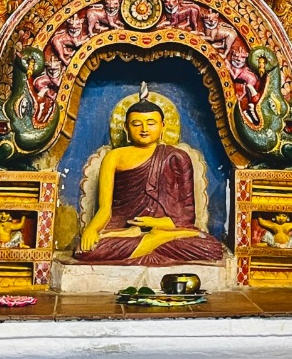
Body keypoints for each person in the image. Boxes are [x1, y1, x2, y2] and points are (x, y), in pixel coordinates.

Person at [75, 94, 224, 264]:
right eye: (136, 124)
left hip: (164, 227)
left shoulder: (177, 157)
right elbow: (105, 209)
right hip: (123, 231)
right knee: (84, 250)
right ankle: (151, 240)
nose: (144, 129)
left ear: (163, 126)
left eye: (151, 123)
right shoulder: (114, 157)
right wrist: (91, 230)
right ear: (126, 128)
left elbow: (185, 216)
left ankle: (155, 238)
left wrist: (154, 223)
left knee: (211, 247)